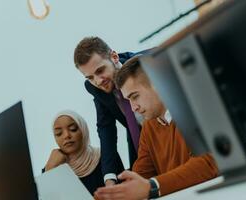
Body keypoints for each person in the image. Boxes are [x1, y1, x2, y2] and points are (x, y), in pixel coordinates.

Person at [94, 55, 219, 200]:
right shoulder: (149, 127)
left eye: (135, 96)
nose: (133, 108)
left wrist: (152, 186)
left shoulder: (194, 108)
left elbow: (208, 164)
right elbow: (141, 173)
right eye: (129, 100)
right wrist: (119, 194)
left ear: (157, 84)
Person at [74, 36, 148, 186]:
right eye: (90, 77)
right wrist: (109, 179)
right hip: (139, 143)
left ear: (114, 57)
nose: (98, 81)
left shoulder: (145, 63)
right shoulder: (94, 87)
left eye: (100, 71)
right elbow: (105, 129)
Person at [44, 110, 104, 195]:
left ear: (83, 130)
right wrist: (50, 169)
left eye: (73, 129)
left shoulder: (105, 157)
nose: (66, 135)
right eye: (59, 133)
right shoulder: (52, 167)